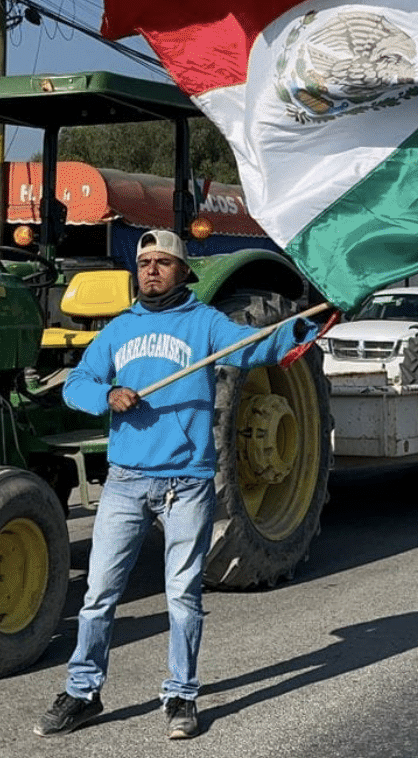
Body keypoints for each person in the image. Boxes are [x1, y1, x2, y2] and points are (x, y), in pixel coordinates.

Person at [34, 229, 318, 741]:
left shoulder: (206, 323)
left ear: (183, 271)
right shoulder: (120, 331)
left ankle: (181, 695)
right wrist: (108, 395)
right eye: (144, 262)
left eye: (163, 262)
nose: (151, 270)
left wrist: (302, 327)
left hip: (186, 484)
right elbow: (76, 386)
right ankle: (82, 692)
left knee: (183, 596)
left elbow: (255, 349)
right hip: (124, 484)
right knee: (98, 595)